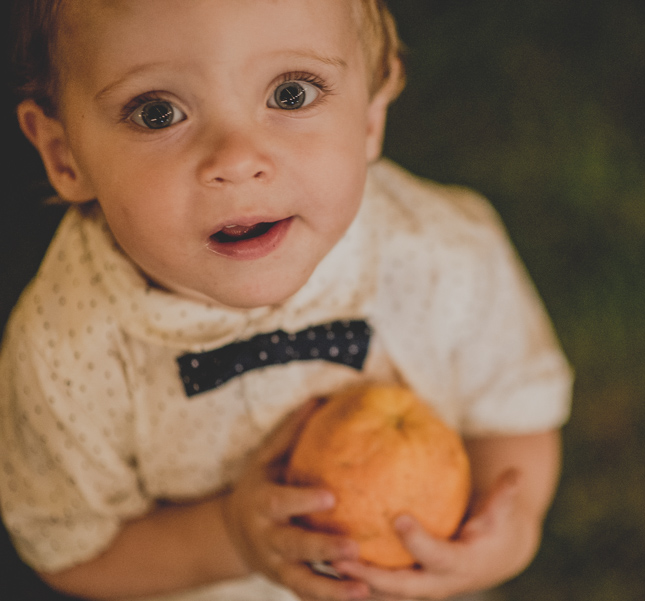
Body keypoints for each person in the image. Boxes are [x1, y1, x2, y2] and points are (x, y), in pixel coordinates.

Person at [0, 1, 573, 600]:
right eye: (158, 112)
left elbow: (516, 413)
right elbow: (71, 552)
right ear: (64, 156)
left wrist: (510, 530)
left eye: (292, 94)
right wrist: (228, 536)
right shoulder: (64, 354)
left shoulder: (444, 256)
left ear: (372, 115)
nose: (238, 159)